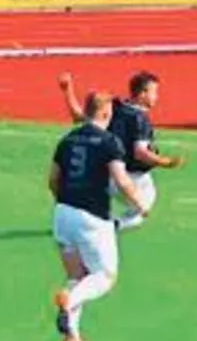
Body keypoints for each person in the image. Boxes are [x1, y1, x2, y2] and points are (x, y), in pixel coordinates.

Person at [50, 90, 151, 341]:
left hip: (62, 215)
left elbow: (52, 179)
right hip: (91, 218)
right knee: (105, 277)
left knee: (77, 276)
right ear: (106, 113)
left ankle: (71, 337)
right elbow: (121, 179)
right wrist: (139, 204)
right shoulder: (109, 142)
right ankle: (69, 301)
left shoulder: (67, 139)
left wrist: (64, 201)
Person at [59, 70, 185, 233]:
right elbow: (140, 152)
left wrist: (67, 89)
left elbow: (78, 116)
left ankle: (96, 219)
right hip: (130, 178)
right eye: (154, 92)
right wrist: (166, 162)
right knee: (142, 210)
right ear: (143, 93)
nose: (156, 97)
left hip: (105, 175)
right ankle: (109, 227)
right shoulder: (139, 119)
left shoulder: (113, 107)